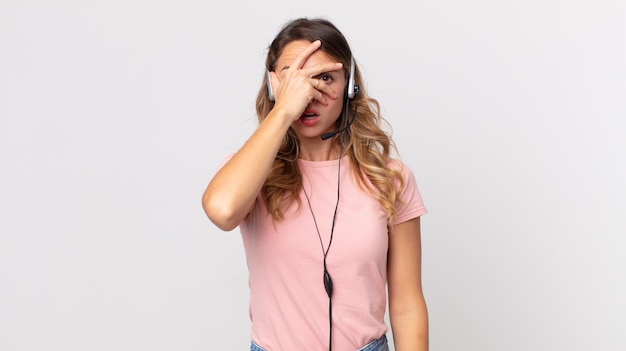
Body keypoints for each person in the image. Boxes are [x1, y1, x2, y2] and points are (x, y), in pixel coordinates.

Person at [202, 17, 428, 351]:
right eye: (295, 78)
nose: (311, 93)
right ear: (273, 85)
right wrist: (283, 112)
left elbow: (407, 305)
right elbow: (222, 211)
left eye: (325, 78)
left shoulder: (390, 178)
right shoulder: (250, 173)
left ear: (349, 87)